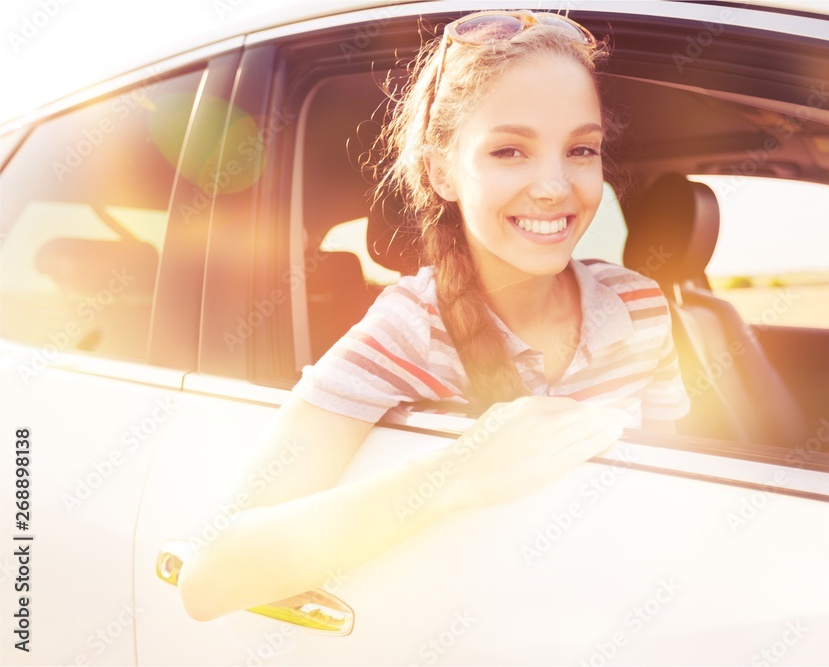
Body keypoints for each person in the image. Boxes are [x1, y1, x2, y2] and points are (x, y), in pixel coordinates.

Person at [178, 9, 689, 622]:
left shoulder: (640, 306)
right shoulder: (406, 331)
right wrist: (459, 469)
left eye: (581, 149)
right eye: (509, 150)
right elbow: (208, 578)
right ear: (441, 170)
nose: (555, 186)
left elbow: (676, 491)